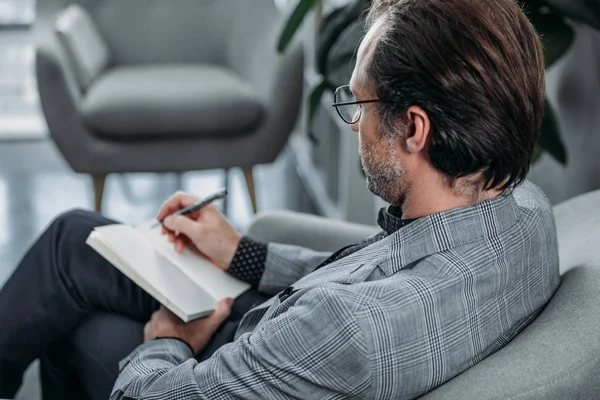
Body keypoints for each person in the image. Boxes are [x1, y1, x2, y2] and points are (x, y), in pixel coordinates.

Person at [0, 0, 561, 398]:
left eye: (358, 107)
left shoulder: (349, 330)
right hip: (292, 341)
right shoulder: (523, 210)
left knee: (81, 329)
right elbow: (378, 269)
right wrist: (238, 251)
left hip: (260, 360)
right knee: (74, 240)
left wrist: (168, 342)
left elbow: (338, 322)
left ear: (414, 130)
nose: (353, 127)